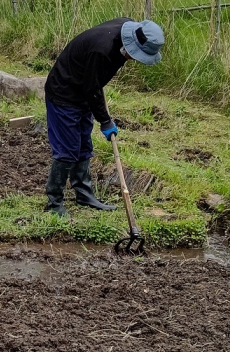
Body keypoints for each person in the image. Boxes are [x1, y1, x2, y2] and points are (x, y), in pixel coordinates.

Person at [44, 17, 165, 216]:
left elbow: (93, 84)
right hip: (64, 93)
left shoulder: (127, 29)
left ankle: (84, 195)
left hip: (83, 92)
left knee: (83, 145)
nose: (134, 59)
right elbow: (92, 87)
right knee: (67, 149)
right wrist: (105, 120)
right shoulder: (102, 50)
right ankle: (54, 202)